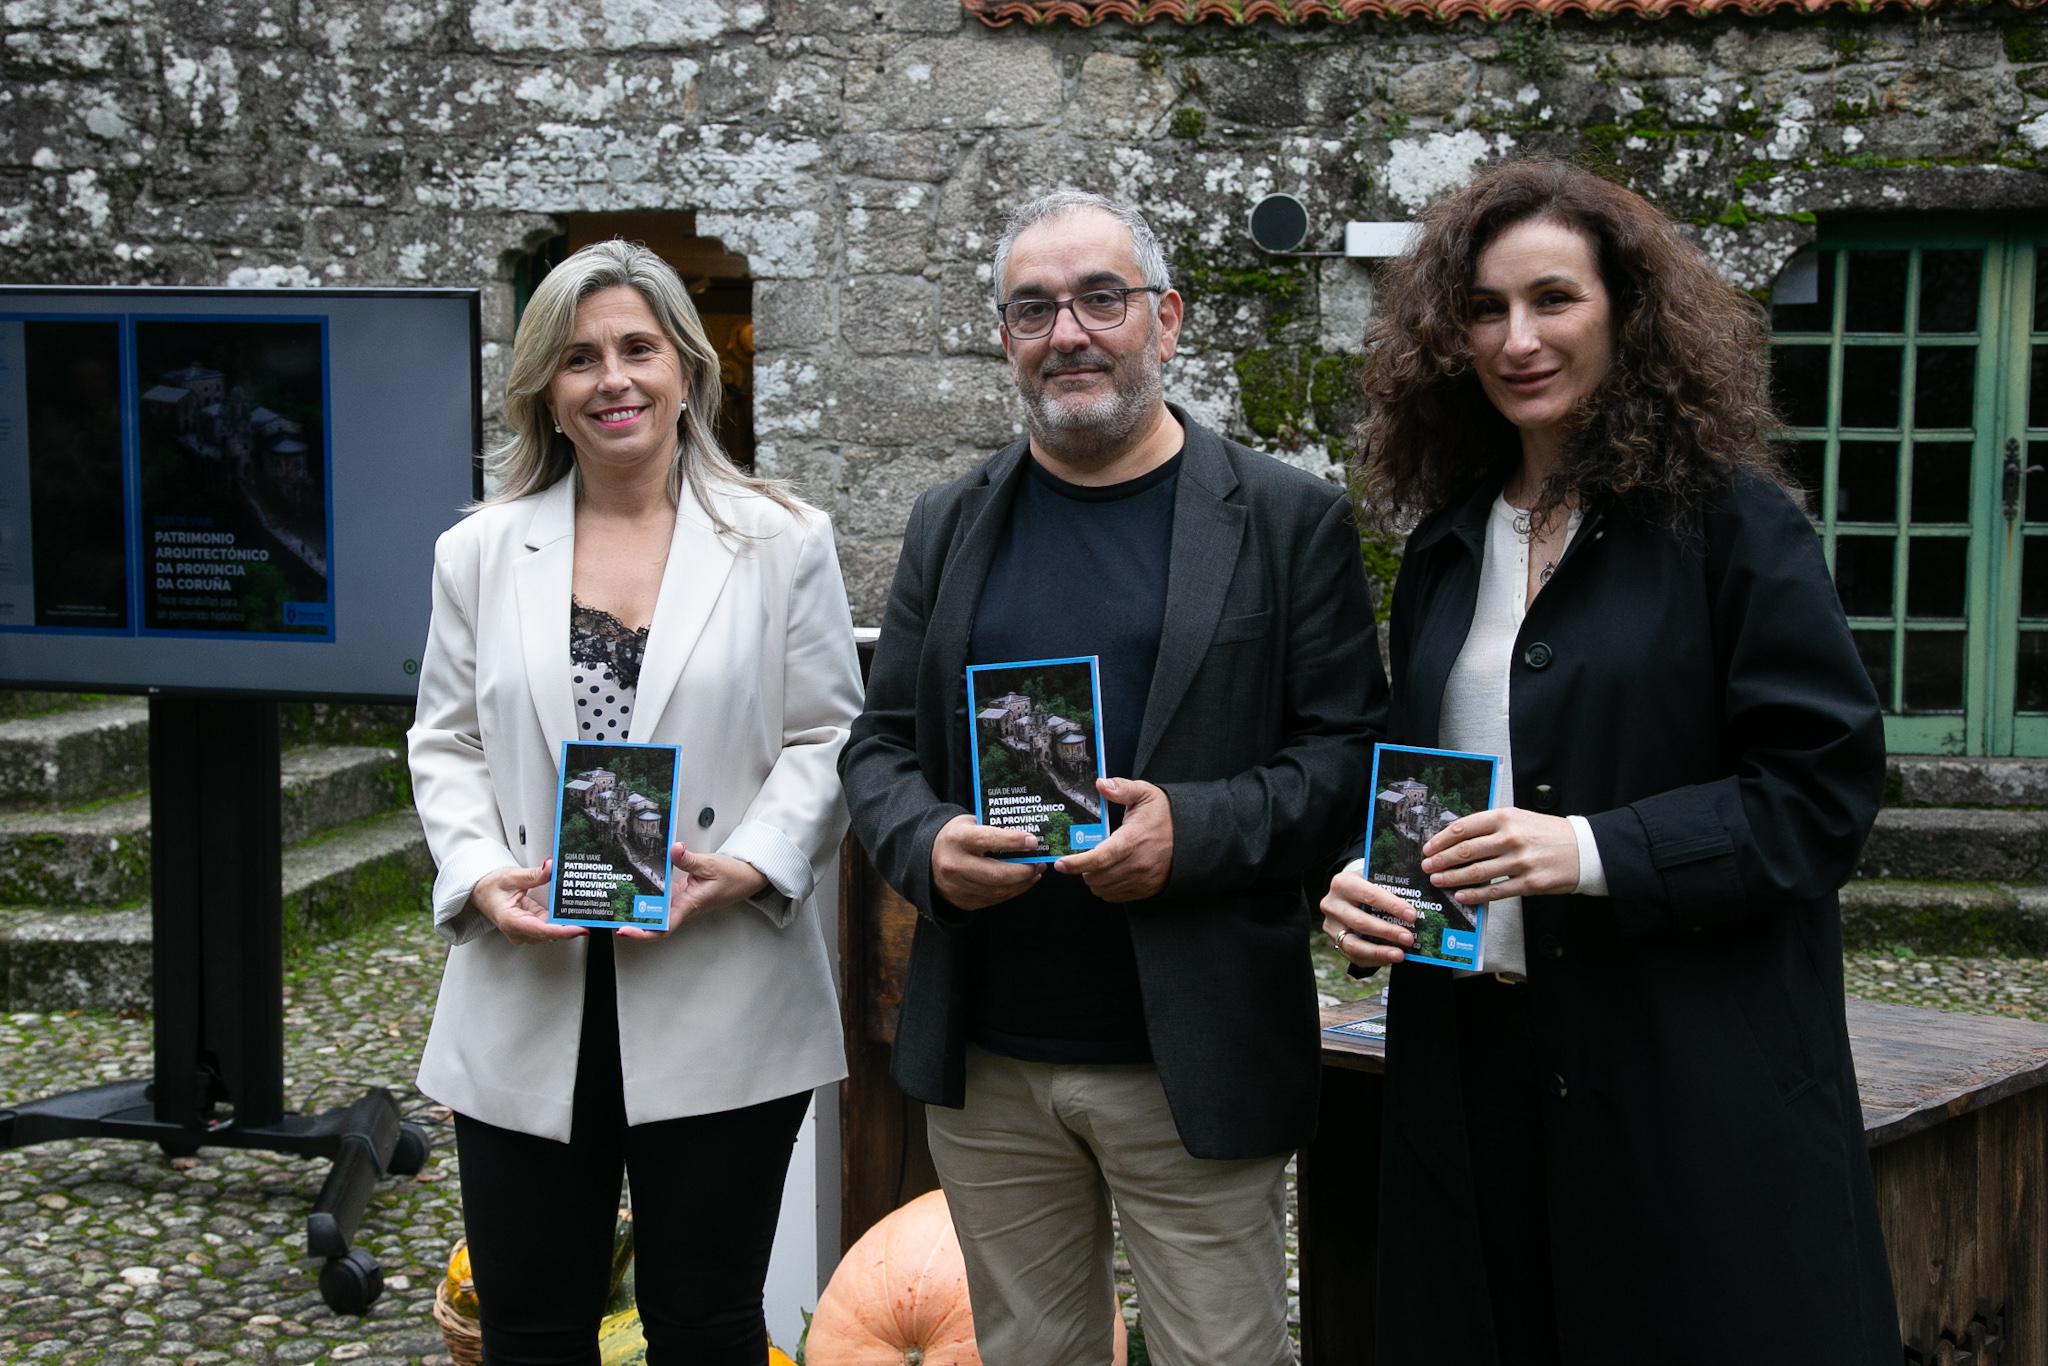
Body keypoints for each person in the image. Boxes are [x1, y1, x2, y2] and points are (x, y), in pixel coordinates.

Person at [1320, 159, 1900, 1361]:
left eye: (1553, 299)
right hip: (1469, 1066)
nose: (1516, 339)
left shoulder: (1731, 522)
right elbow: (1426, 779)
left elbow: (1818, 791)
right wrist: (1373, 886)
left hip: (1678, 1072)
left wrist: (1587, 850)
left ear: (1625, 312)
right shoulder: (1444, 546)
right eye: (1484, 309)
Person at [839, 189, 1386, 1366]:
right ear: (1003, 336)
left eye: (1100, 299)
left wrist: (1192, 832)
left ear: (1165, 320)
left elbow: (1346, 760)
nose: (1067, 332)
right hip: (992, 1055)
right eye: (1032, 308)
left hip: (1192, 1052)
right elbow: (876, 747)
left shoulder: (1285, 519)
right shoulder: (948, 522)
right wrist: (926, 843)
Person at [408, 239, 862, 1366]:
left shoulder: (781, 541)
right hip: (529, 981)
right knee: (530, 1331)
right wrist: (479, 874)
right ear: (544, 391)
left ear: (687, 370)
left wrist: (753, 860)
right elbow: (445, 741)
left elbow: (828, 734)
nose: (611, 378)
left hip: (720, 979)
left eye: (637, 349)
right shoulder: (476, 553)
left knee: (707, 1328)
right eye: (578, 358)